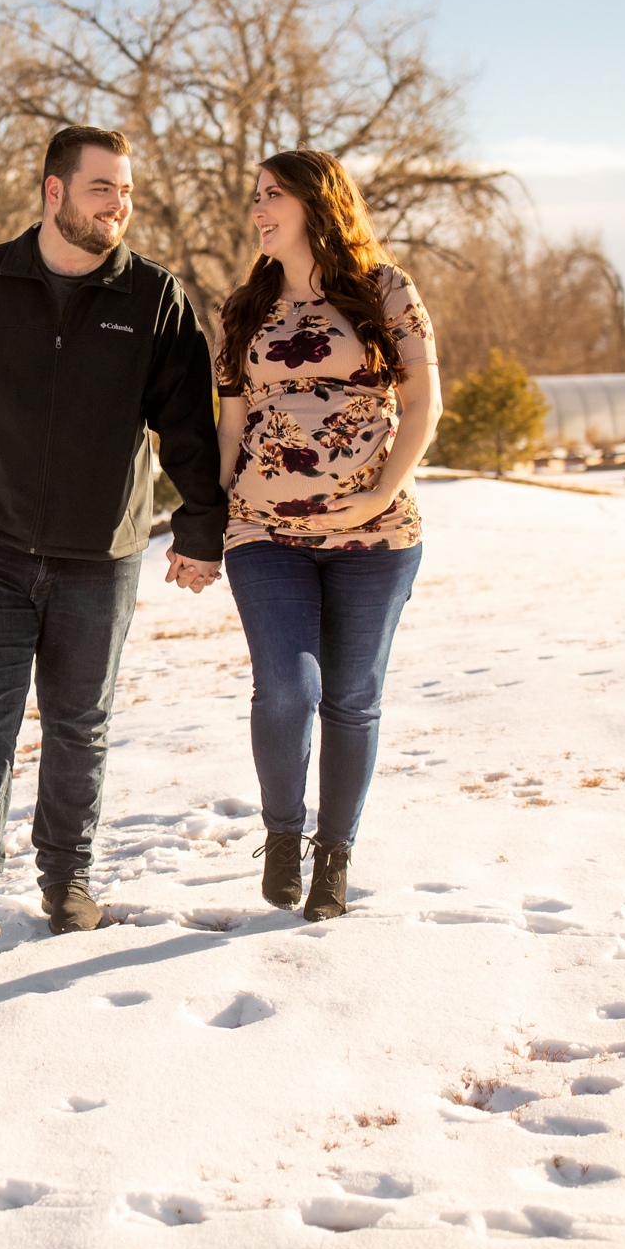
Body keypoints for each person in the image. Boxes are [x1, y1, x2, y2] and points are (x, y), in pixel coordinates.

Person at [0, 125, 227, 947]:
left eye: (125, 191)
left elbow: (189, 426)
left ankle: (68, 885)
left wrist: (199, 526)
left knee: (81, 724)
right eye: (102, 189)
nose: (119, 205)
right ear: (54, 192)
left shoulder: (153, 299)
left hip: (101, 555)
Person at [214, 149, 442, 922]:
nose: (257, 208)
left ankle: (334, 856)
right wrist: (207, 518)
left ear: (317, 201)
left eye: (272, 194)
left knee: (350, 697)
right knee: (289, 687)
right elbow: (233, 423)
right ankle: (284, 832)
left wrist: (379, 490)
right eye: (256, 196)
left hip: (375, 534)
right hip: (264, 530)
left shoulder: (383, 289)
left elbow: (422, 404)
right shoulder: (246, 305)